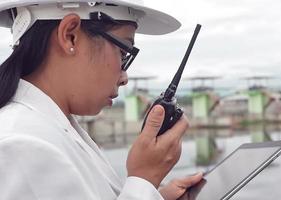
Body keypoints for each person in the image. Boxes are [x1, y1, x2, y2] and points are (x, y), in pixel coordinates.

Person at [0, 1, 202, 199]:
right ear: (70, 35)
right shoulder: (21, 147)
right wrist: (145, 178)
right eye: (123, 53)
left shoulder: (51, 129)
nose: (124, 78)